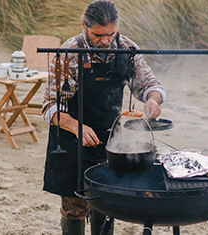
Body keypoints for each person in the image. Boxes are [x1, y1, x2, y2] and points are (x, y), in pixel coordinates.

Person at [41, 1, 166, 234]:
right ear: (84, 26)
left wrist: (152, 99)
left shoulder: (127, 49)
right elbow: (50, 106)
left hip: (110, 141)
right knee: (74, 207)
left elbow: (150, 84)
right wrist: (76, 127)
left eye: (111, 34)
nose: (106, 41)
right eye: (98, 35)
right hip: (71, 140)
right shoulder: (69, 53)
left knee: (106, 202)